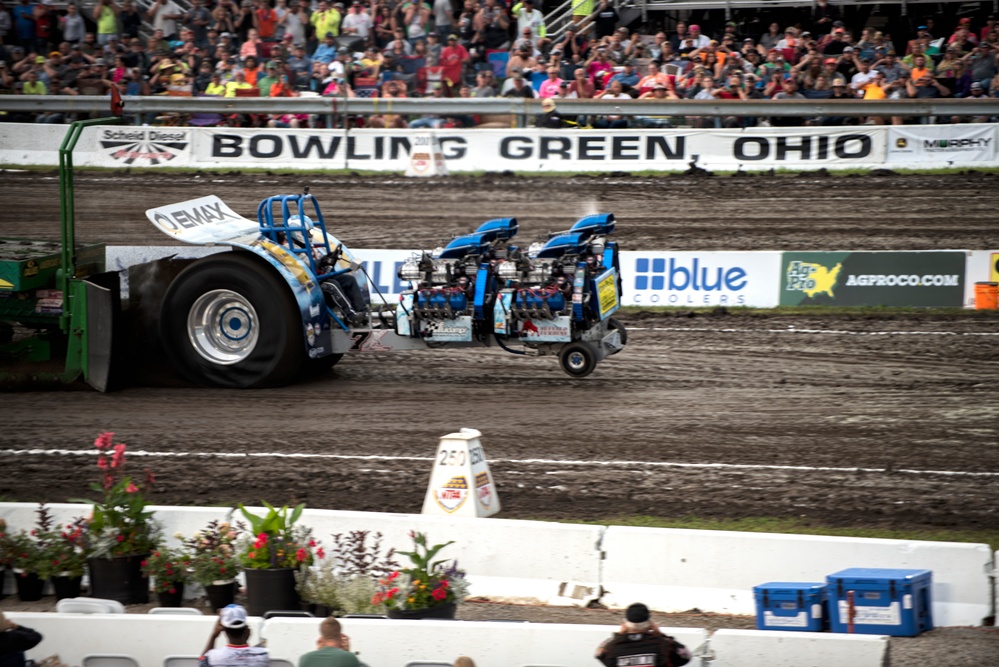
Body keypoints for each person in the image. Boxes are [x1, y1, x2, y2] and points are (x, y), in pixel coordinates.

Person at [595, 603, 691, 667]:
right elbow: (686, 656)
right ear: (650, 624)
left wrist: (619, 635)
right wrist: (661, 635)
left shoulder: (613, 647)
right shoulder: (663, 644)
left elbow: (598, 654)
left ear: (626, 624)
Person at [200, 604, 268, 667]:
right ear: (247, 630)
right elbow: (246, 655)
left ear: (223, 629)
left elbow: (201, 663)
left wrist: (213, 636)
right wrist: (244, 640)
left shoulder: (212, 657)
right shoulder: (262, 655)